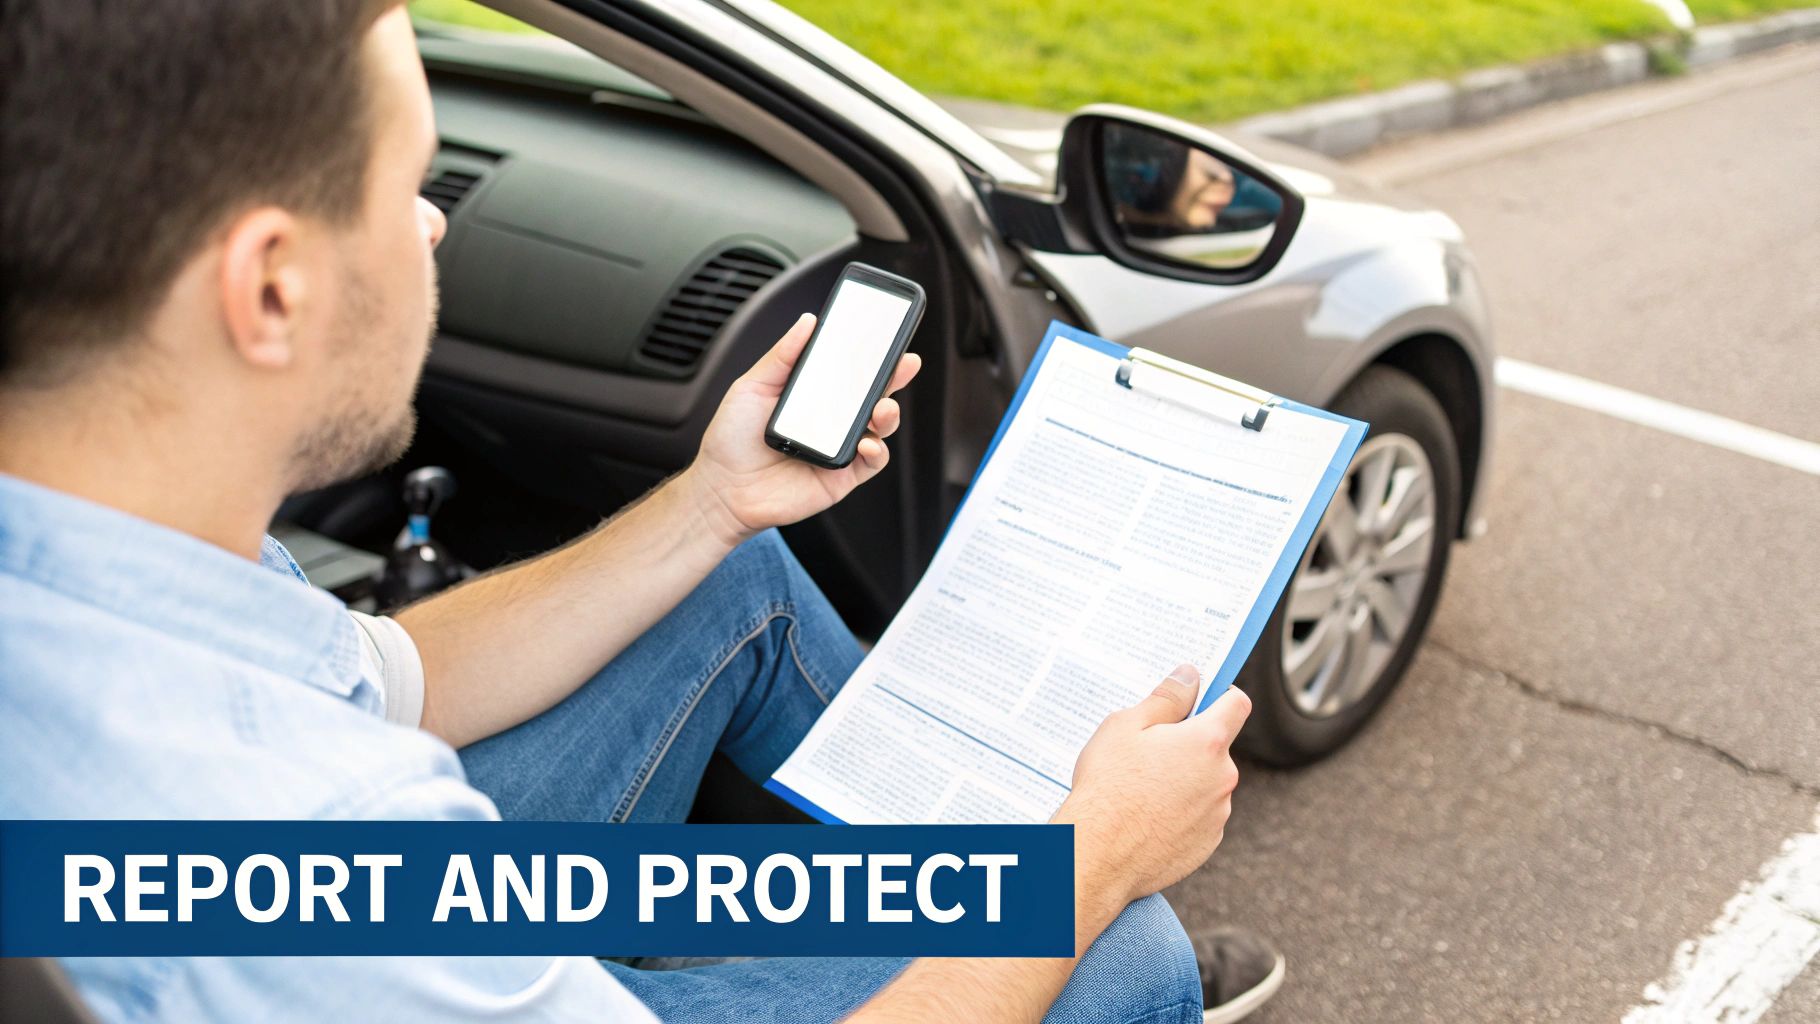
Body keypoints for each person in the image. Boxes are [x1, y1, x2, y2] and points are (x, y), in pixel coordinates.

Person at [0, 1, 1283, 1021]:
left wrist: (711, 503)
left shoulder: (112, 545)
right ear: (271, 288)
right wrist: (1090, 862)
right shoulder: (309, 825)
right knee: (1121, 949)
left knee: (730, 574)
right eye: (404, 187)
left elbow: (371, 674)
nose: (433, 227)